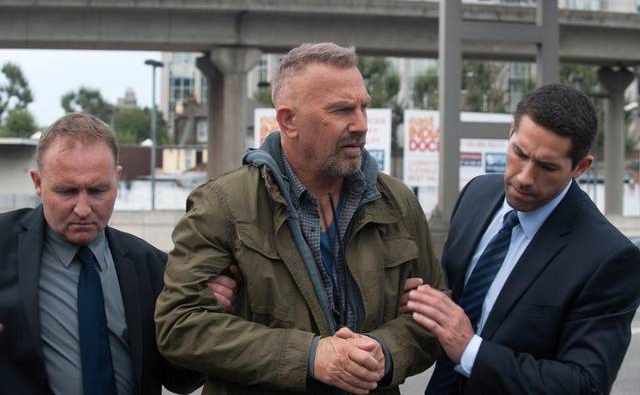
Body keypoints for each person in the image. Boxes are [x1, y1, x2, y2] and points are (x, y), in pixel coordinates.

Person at [154, 42, 446, 394]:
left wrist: (384, 351)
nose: (361, 124)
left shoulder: (397, 203)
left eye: (363, 107)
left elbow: (434, 316)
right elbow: (179, 326)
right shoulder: (222, 205)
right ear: (288, 120)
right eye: (341, 110)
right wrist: (309, 357)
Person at [405, 83, 640, 394]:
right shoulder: (476, 194)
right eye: (519, 153)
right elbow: (451, 299)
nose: (525, 178)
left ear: (581, 167)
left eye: (547, 167)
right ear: (511, 131)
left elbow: (585, 385)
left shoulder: (609, 257)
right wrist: (419, 297)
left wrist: (470, 350)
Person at [0, 113, 202, 395]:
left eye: (97, 191)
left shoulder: (152, 266)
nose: (83, 209)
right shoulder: (4, 245)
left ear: (117, 178)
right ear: (37, 182)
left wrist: (208, 316)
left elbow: (182, 379)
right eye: (67, 191)